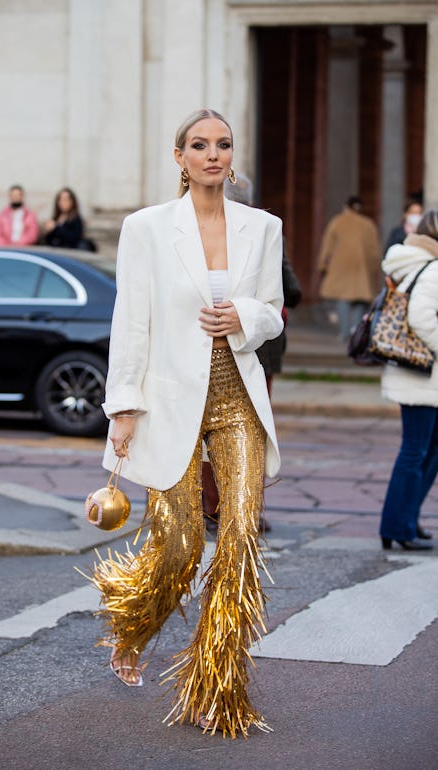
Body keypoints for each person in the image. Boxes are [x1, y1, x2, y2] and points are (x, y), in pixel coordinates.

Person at [89, 108, 284, 738]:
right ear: (179, 157)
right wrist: (123, 405)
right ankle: (136, 624)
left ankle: (216, 688)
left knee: (238, 543)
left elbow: (276, 311)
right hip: (170, 399)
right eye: (199, 145)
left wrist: (245, 318)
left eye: (223, 145)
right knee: (178, 547)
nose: (212, 155)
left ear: (233, 156)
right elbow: (132, 319)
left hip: (238, 400)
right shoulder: (146, 228)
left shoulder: (263, 226)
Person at [202, 175, 301, 535]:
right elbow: (291, 289)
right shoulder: (264, 231)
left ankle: (214, 505)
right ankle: (247, 508)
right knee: (252, 427)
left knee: (208, 433)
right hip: (258, 348)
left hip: (240, 341)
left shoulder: (263, 230)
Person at [379, 209, 438, 552]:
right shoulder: (431, 268)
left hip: (420, 373)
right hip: (422, 374)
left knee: (427, 448)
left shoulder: (412, 262)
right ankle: (397, 526)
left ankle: (407, 518)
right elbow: (420, 317)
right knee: (415, 451)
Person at [317, 195, 381, 341]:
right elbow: (374, 251)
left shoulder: (337, 222)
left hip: (340, 267)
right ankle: (355, 331)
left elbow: (328, 246)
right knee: (361, 299)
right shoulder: (368, 224)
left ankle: (344, 331)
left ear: (346, 206)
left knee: (343, 299)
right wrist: (373, 269)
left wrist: (322, 265)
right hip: (361, 268)